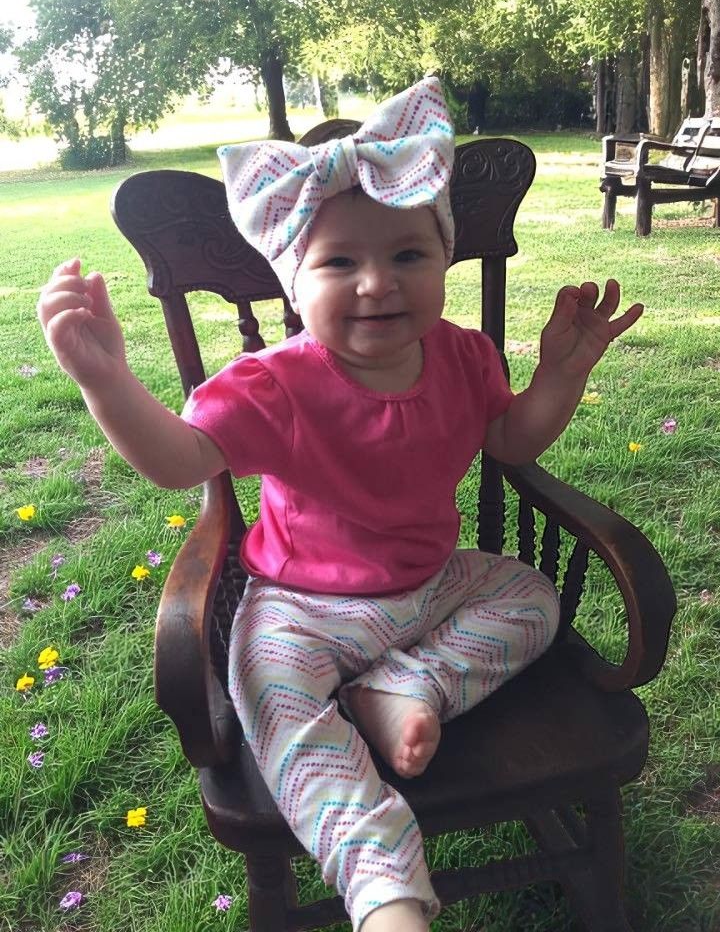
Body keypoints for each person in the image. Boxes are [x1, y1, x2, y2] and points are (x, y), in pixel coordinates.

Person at [37, 77, 643, 932]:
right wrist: (106, 381)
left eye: (407, 255)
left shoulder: (463, 358)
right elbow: (181, 463)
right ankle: (383, 885)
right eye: (339, 262)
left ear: (441, 260)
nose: (376, 285)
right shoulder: (275, 385)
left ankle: (407, 688)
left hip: (436, 587)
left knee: (531, 597)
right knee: (277, 703)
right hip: (303, 607)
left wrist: (561, 375)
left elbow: (511, 445)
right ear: (294, 278)